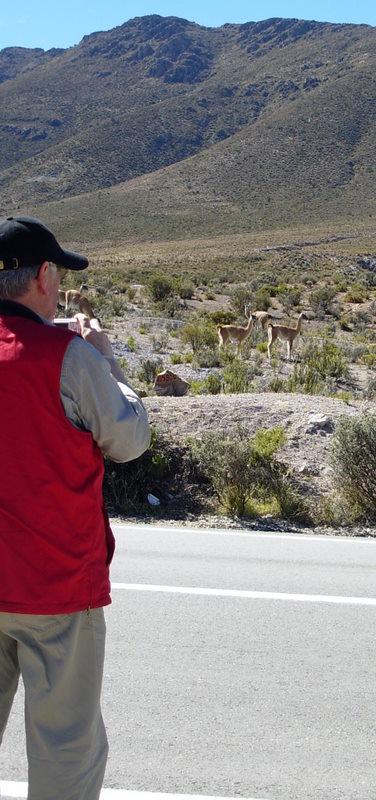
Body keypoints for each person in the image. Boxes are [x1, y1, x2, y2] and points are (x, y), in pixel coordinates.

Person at [0, 216, 151, 799]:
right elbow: (129, 439)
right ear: (43, 275)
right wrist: (105, 358)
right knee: (66, 747)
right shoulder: (68, 357)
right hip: (56, 589)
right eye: (57, 274)